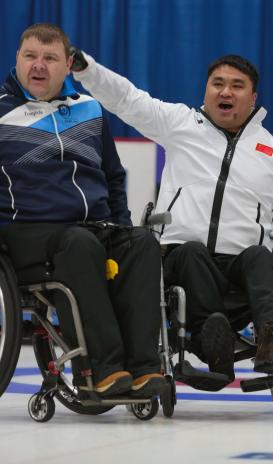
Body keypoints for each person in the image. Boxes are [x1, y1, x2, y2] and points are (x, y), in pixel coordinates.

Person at [71, 49, 273, 379]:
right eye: (217, 83)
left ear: (253, 97)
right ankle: (209, 340)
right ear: (205, 89)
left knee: (261, 256)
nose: (225, 92)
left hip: (239, 268)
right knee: (192, 252)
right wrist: (87, 70)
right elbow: (128, 99)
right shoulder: (180, 124)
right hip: (181, 259)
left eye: (236, 85)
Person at [0, 23, 164, 397]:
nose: (38, 66)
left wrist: (121, 227)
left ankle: (143, 369)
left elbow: (113, 175)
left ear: (69, 64)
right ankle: (99, 371)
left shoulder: (90, 109)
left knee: (141, 243)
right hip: (25, 232)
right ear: (17, 60)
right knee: (79, 244)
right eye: (30, 56)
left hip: (93, 227)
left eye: (49, 58)